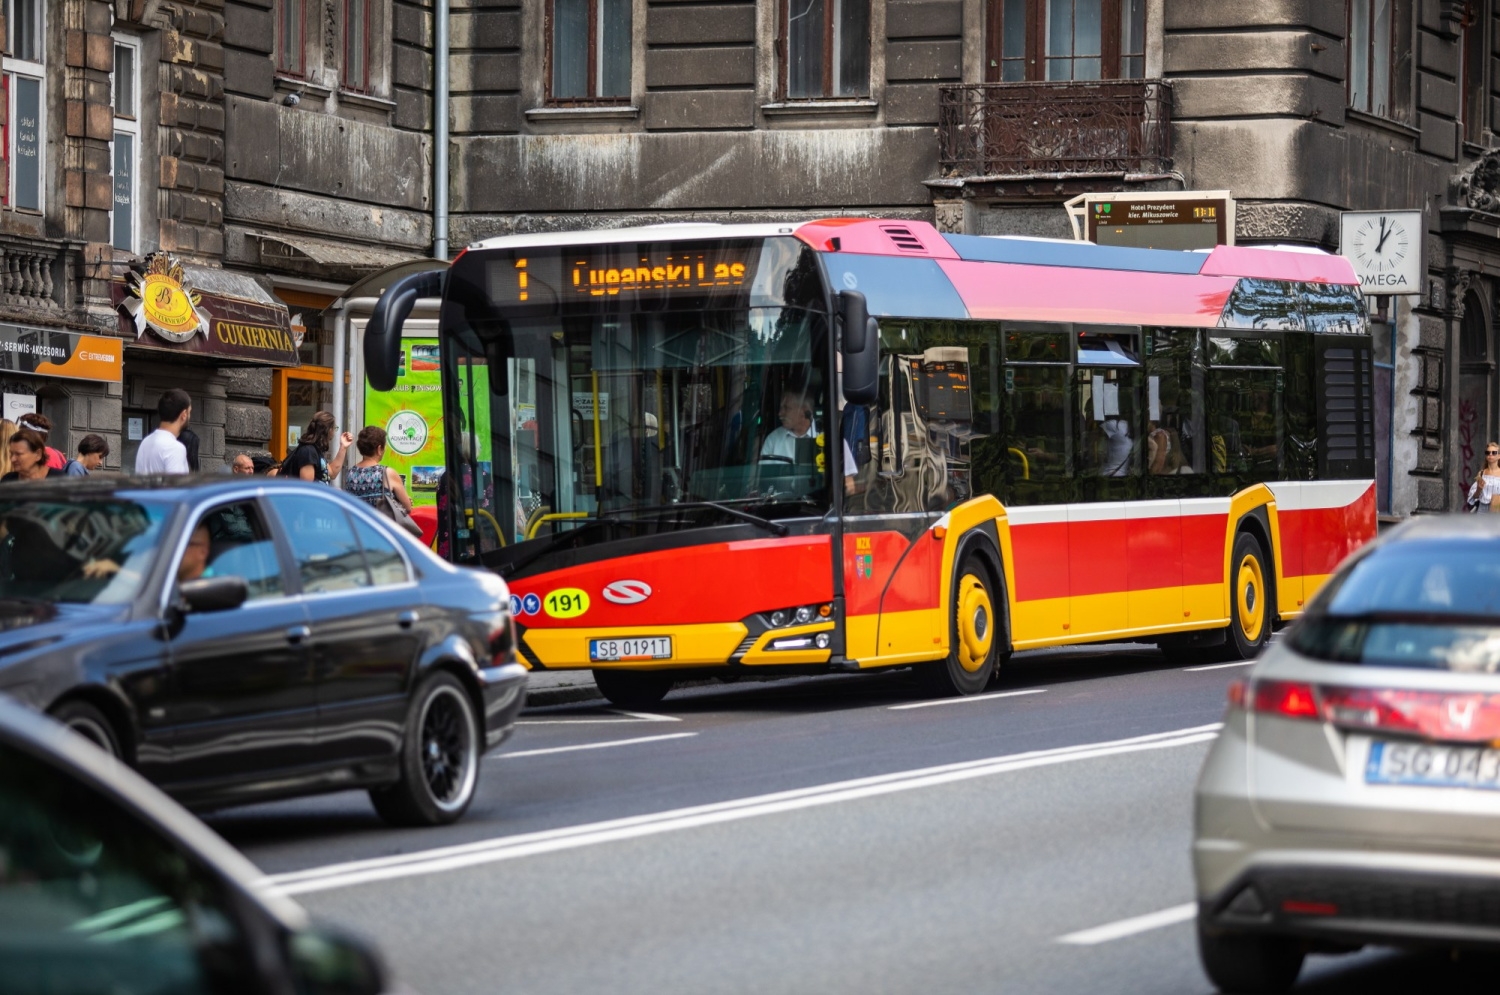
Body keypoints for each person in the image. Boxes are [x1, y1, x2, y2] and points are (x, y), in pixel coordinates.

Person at [760, 389, 857, 495]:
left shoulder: (830, 438)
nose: (780, 413)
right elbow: (762, 481)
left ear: (804, 412)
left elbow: (849, 487)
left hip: (819, 507)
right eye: (781, 408)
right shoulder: (773, 439)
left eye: (786, 408)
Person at [342, 426, 414, 512]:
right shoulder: (387, 473)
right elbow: (408, 507)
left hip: (357, 524)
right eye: (385, 446)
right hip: (379, 524)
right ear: (379, 449)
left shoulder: (350, 473)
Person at [285, 411, 353, 485]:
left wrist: (343, 447)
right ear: (329, 430)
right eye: (334, 428)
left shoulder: (314, 450)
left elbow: (332, 473)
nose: (334, 431)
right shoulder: (308, 451)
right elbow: (307, 487)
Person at [135, 389, 192, 474]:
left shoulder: (145, 442)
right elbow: (176, 485)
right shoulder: (175, 448)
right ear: (184, 415)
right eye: (189, 412)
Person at [2, 428, 67, 481]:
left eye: (18, 454)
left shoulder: (59, 480)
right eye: (11, 453)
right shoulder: (8, 480)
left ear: (38, 454)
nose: (13, 459)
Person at [1468, 442, 1500, 512]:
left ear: (1499, 456)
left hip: (1497, 508)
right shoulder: (1482, 474)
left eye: (1494, 453)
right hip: (1482, 509)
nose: (1490, 454)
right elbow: (1474, 497)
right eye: (1488, 452)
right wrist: (1479, 489)